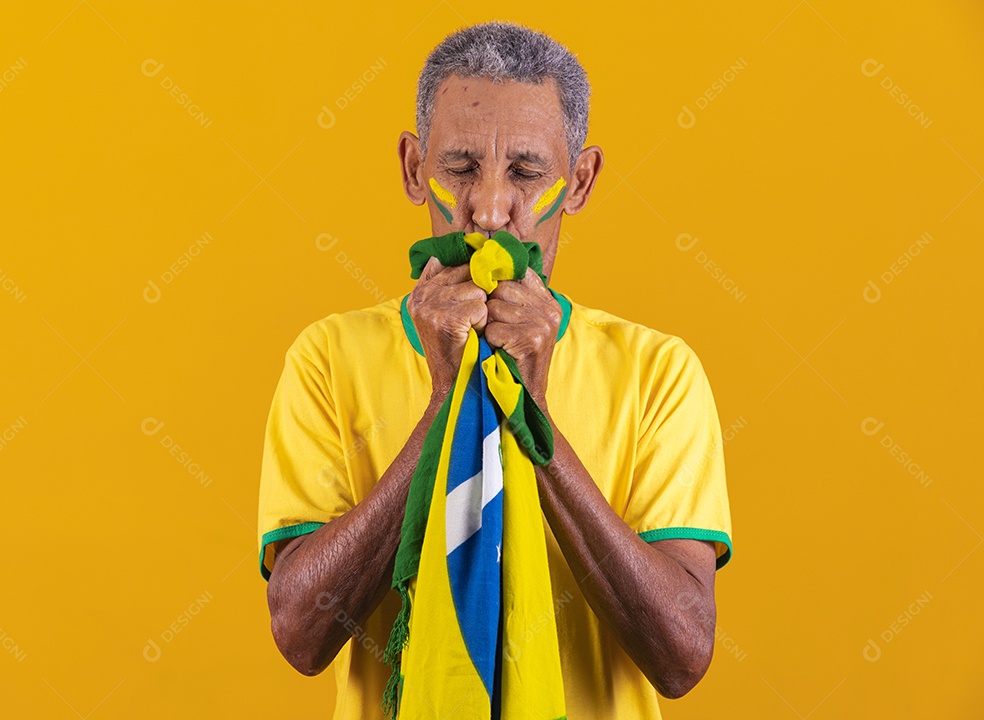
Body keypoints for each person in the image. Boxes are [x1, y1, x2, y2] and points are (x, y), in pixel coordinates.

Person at [258, 20, 733, 720]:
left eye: (526, 172)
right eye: (459, 168)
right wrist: (445, 405)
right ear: (414, 168)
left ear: (580, 181)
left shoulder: (659, 373)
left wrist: (534, 421)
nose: (486, 208)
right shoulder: (327, 359)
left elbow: (682, 652)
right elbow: (301, 634)